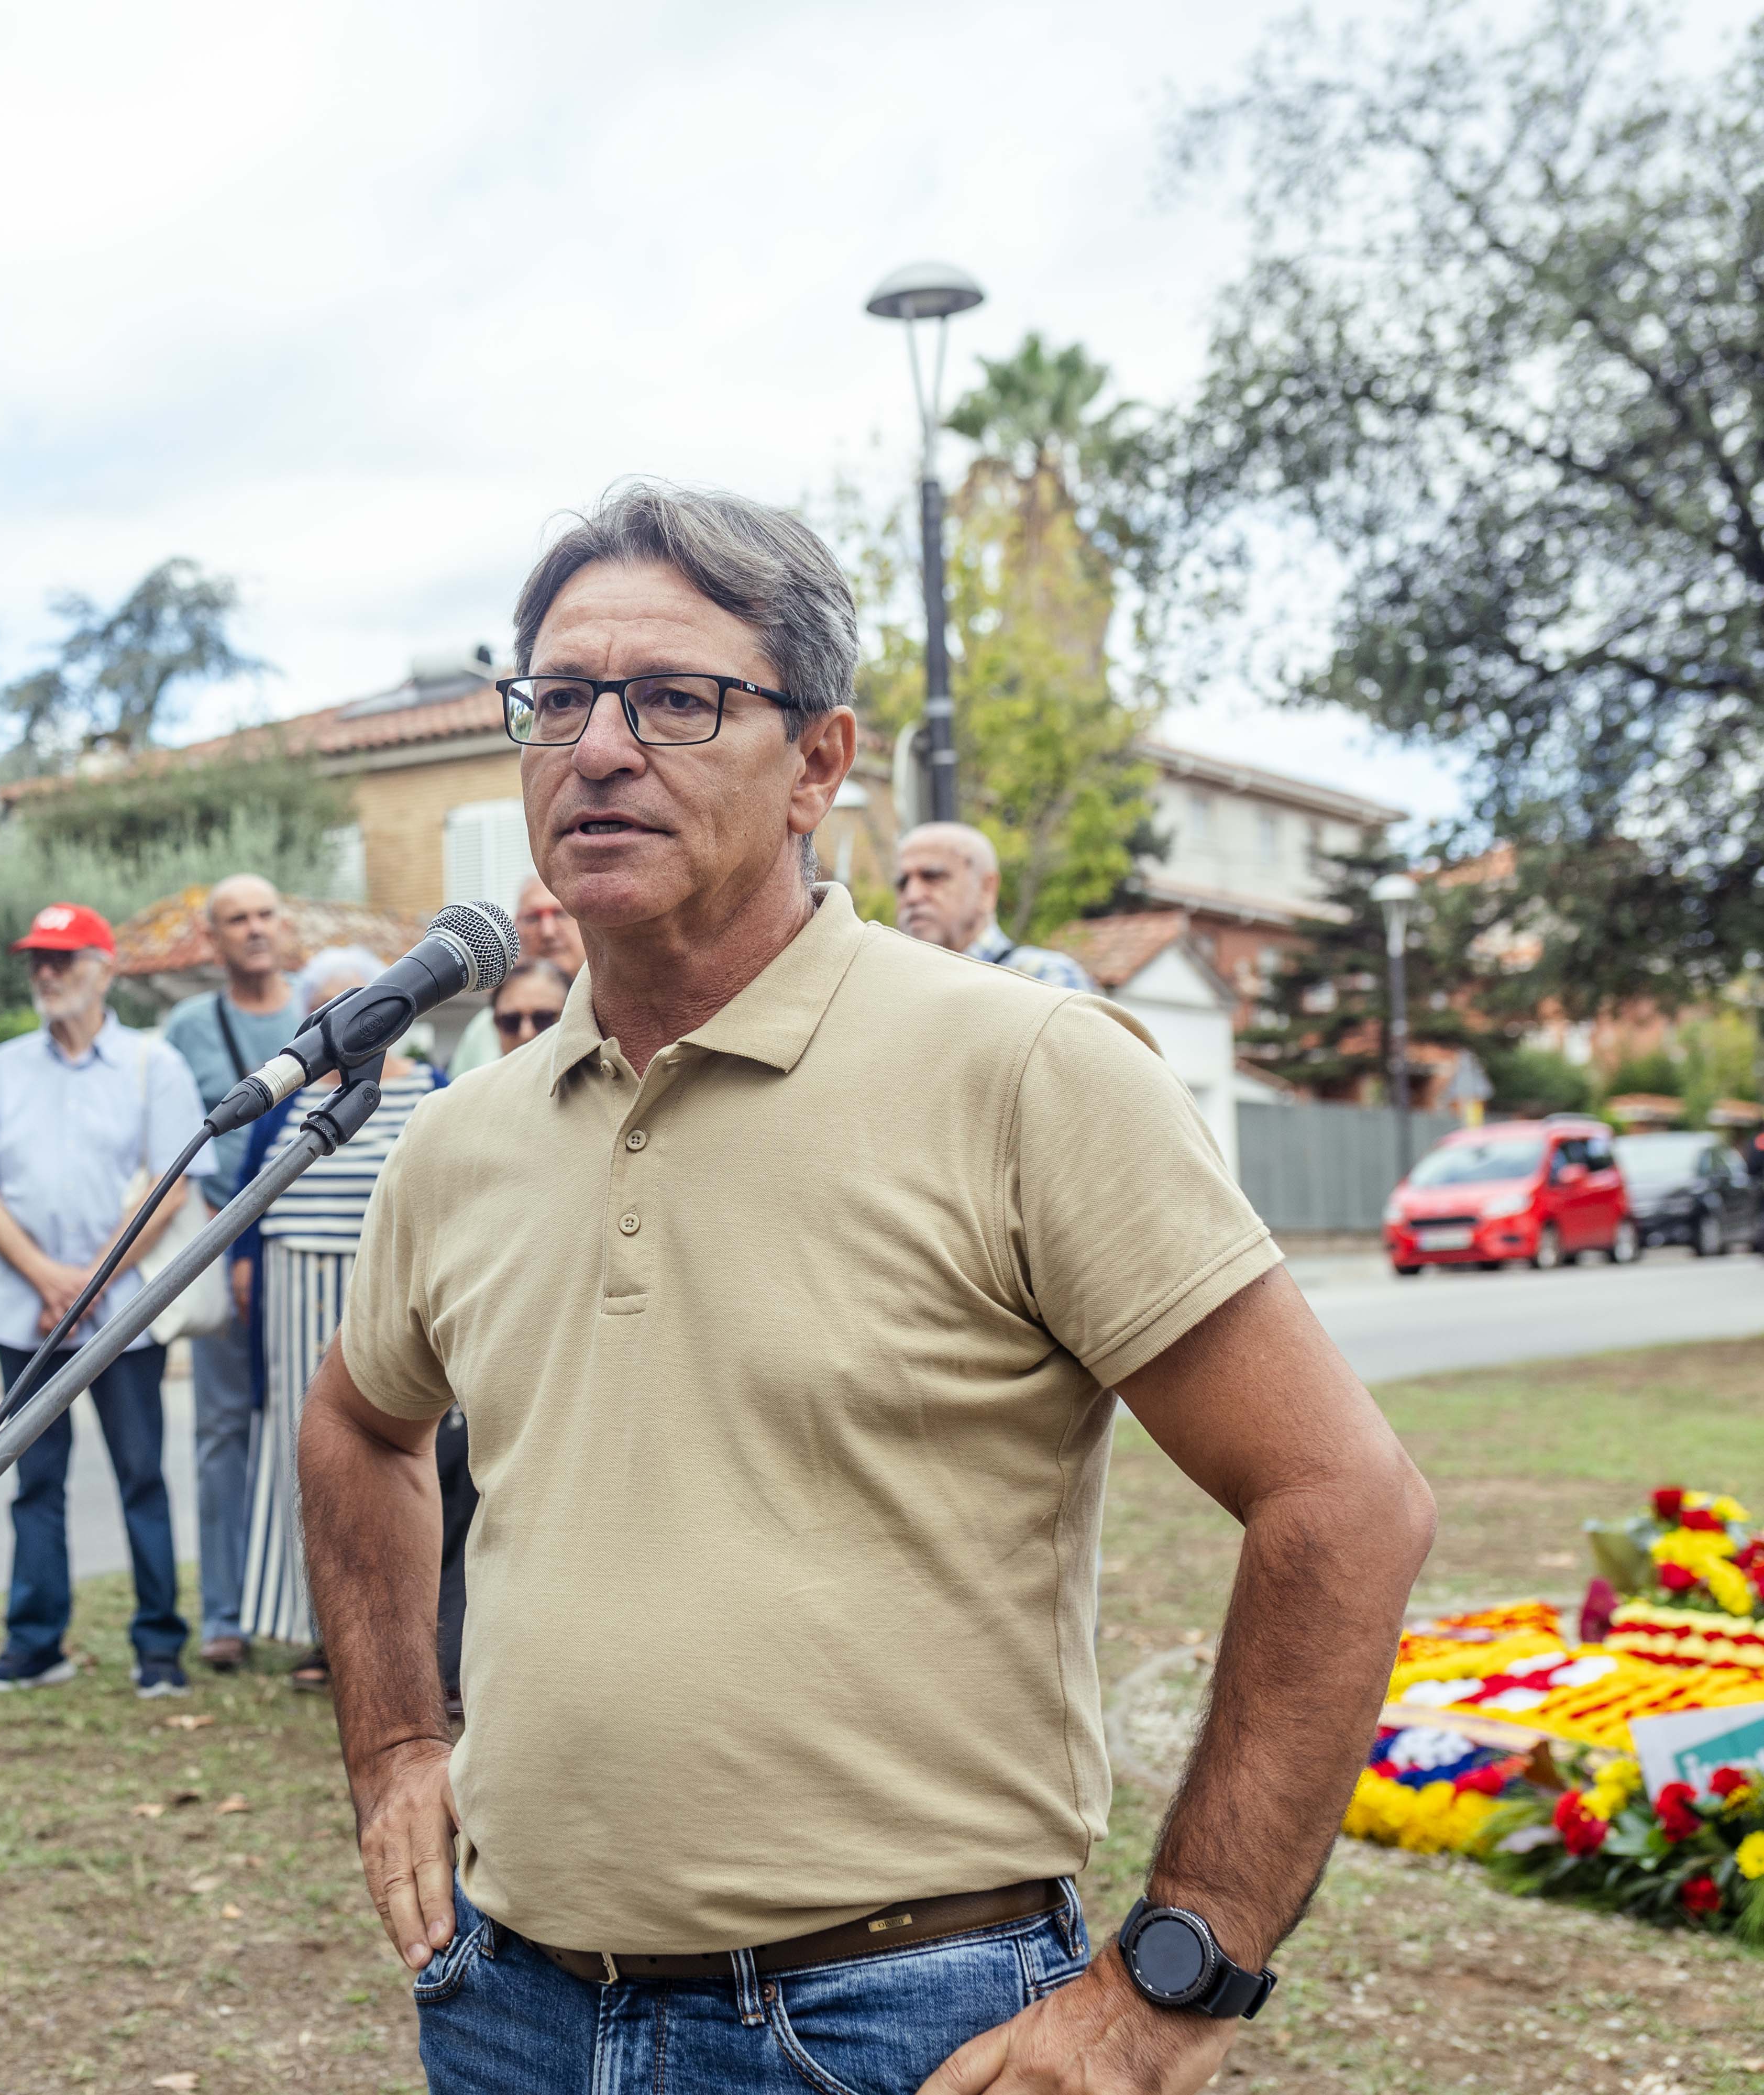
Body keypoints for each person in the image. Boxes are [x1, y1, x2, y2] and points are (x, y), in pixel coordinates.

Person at [299, 482, 1435, 2095]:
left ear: (818, 766)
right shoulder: (462, 1136)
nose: (600, 746)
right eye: (558, 698)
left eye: (677, 699)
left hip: (895, 2027)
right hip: (512, 2013)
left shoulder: (1024, 1068)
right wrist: (396, 1745)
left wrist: (1175, 1975)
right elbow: (355, 1422)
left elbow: (1343, 1501)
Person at [0, 901, 201, 1699]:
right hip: (28, 1313)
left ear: (104, 967)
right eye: (37, 961)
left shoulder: (152, 1066)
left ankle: (159, 1647)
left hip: (120, 1314)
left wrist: (90, 1280)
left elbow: (172, 1184)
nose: (45, 975)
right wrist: (46, 1278)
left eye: (61, 959)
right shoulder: (2, 1067)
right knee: (33, 1482)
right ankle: (34, 1642)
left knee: (140, 1477)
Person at [224, 948, 438, 1696]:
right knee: (301, 1452)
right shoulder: (288, 1099)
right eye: (329, 1005)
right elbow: (252, 1197)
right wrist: (244, 1267)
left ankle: (409, 1632)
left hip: (385, 1293)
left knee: (394, 1458)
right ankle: (320, 1631)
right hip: (292, 1294)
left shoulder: (433, 1094)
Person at [158, 874, 304, 1674]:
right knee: (220, 1434)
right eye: (235, 920)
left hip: (308, 1255)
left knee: (318, 1431)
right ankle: (223, 1614)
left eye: (263, 915)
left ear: (284, 927)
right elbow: (175, 1142)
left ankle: (306, 1610)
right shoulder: (185, 1028)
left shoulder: (318, 1006)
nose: (252, 930)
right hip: (221, 1251)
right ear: (212, 940)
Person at [893, 820, 1099, 991]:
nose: (912, 896)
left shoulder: (1045, 981)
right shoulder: (896, 992)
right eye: (903, 883)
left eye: (933, 877)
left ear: (986, 889)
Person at [446, 877, 588, 1075]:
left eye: (560, 914)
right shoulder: (483, 1028)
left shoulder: (618, 1009)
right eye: (533, 918)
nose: (547, 931)